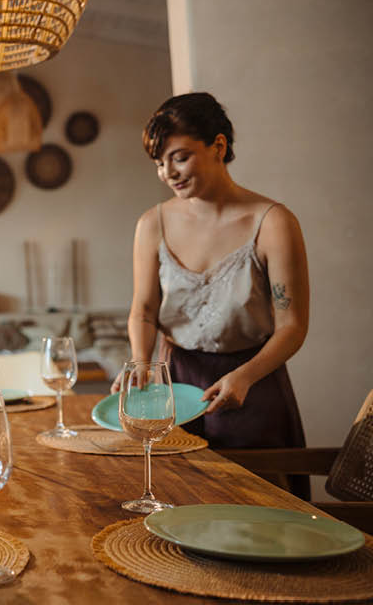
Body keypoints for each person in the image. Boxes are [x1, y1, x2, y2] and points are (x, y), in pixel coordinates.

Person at [115, 92, 310, 496]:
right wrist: (140, 362)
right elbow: (144, 310)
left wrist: (245, 377)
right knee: (175, 504)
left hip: (253, 385)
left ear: (218, 146)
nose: (168, 173)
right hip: (175, 385)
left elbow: (292, 326)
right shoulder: (152, 224)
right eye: (159, 163)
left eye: (179, 157)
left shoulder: (273, 223)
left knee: (260, 511)